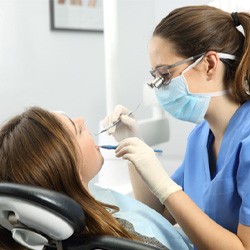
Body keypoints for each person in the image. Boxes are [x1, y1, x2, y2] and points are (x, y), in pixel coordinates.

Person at [102, 5, 250, 250]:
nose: (159, 87)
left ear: (210, 64)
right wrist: (133, 147)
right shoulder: (200, 138)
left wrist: (165, 185)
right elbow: (159, 211)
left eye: (166, 75)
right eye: (156, 77)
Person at [0, 106, 192, 250]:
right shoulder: (120, 241)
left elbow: (148, 215)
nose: (82, 120)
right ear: (69, 168)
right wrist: (165, 187)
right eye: (78, 130)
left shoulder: (88, 199)